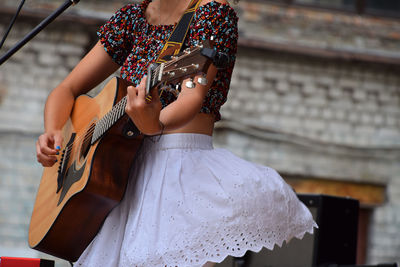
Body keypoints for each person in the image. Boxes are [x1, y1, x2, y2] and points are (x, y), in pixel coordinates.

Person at [35, 0, 317, 266]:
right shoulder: (131, 19)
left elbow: (190, 101)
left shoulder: (211, 13)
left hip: (178, 172)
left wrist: (153, 123)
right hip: (119, 177)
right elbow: (66, 90)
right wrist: (54, 131)